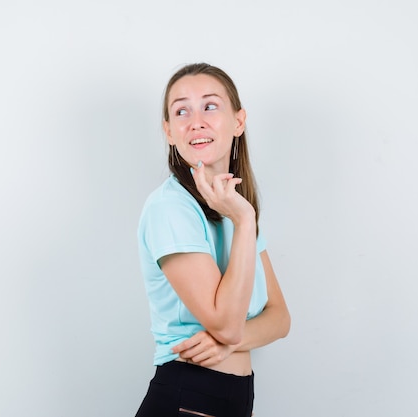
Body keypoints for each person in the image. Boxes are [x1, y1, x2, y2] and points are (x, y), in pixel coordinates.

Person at [135, 63, 291, 417]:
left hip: (231, 397)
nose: (196, 120)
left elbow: (280, 318)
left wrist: (227, 344)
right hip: (189, 395)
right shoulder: (171, 208)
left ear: (238, 121)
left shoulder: (234, 210)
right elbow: (225, 323)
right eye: (181, 111)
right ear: (170, 132)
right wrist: (245, 220)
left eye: (209, 105)